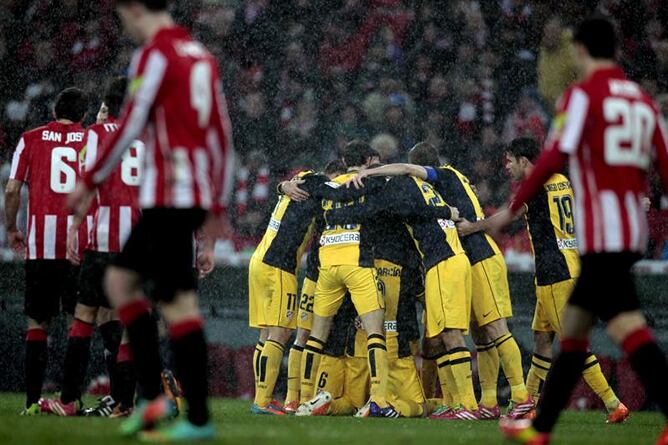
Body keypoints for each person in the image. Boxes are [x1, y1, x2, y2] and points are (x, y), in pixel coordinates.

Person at [483, 18, 668, 445]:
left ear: (581, 51)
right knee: (596, 329)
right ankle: (540, 426)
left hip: (601, 234)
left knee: (604, 331)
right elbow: (662, 164)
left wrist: (513, 206)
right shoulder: (643, 101)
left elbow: (551, 157)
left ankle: (541, 427)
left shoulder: (581, 96)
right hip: (631, 232)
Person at [67, 0, 234, 440]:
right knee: (176, 303)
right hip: (193, 195)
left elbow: (132, 121)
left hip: (169, 195)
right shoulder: (200, 56)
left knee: (122, 284)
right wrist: (216, 205)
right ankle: (186, 413)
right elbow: (221, 132)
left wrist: (89, 180)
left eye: (124, 16)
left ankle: (159, 399)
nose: (126, 26)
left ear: (137, 9)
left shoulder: (154, 54)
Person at [355, 142, 532, 420]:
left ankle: (520, 397)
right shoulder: (452, 181)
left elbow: (404, 169)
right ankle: (486, 401)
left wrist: (369, 173)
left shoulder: (442, 176)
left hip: (477, 254)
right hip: (468, 257)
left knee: (493, 329)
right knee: (481, 336)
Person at [458, 137, 629, 423]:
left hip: (555, 273)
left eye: (511, 161)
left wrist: (471, 228)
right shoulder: (560, 178)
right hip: (568, 264)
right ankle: (529, 403)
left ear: (525, 161)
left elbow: (505, 218)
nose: (508, 167)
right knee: (540, 339)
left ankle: (614, 404)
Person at [327, 163, 480, 420]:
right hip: (453, 260)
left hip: (442, 262)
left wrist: (335, 215)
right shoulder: (428, 187)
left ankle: (468, 406)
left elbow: (383, 206)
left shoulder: (397, 188)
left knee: (450, 335)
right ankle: (456, 404)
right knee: (439, 336)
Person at [38, 77, 142, 418]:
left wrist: (74, 229)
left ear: (107, 105)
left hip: (103, 243)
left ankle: (68, 400)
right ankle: (126, 403)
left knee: (83, 319)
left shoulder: (94, 136)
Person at [5, 87, 88, 416]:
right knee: (76, 322)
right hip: (75, 245)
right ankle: (70, 399)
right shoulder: (90, 140)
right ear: (82, 115)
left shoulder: (31, 138)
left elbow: (12, 189)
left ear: (55, 111)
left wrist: (12, 227)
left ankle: (31, 402)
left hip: (40, 245)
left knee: (37, 323)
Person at [247, 159, 345, 415]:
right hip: (279, 265)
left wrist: (281, 186)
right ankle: (262, 402)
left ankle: (261, 398)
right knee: (279, 334)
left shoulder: (302, 179)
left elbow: (282, 188)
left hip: (259, 259)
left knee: (265, 335)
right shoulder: (319, 182)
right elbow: (339, 190)